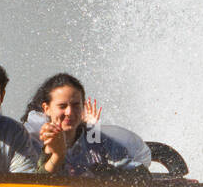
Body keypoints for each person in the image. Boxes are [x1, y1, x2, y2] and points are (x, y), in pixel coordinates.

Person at [22, 74, 150, 174]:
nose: (69, 112)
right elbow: (31, 182)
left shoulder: (97, 139)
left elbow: (140, 174)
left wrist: (106, 172)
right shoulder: (30, 139)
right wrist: (54, 153)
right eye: (62, 106)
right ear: (46, 108)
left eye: (76, 105)